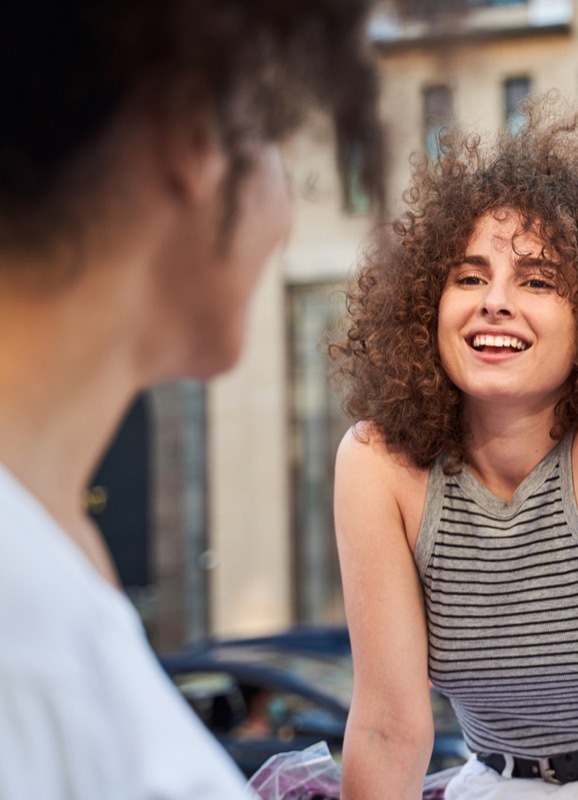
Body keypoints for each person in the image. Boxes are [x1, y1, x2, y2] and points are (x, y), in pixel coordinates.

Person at [0, 1, 385, 797]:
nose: (284, 209)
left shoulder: (52, 552)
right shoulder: (26, 625)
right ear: (198, 137)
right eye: (271, 138)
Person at [331, 97, 578, 800]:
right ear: (428, 303)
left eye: (537, 280)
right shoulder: (375, 463)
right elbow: (388, 727)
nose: (495, 302)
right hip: (488, 782)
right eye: (469, 277)